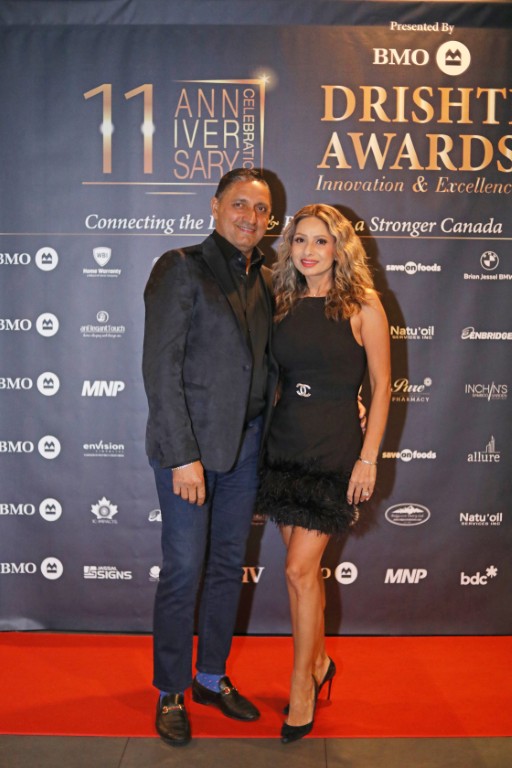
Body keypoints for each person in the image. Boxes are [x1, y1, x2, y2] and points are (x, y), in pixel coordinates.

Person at [142, 168, 278, 747]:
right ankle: (171, 688)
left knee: (227, 567)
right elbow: (161, 368)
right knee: (183, 568)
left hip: (246, 447)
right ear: (216, 206)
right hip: (190, 452)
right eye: (240, 204)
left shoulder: (266, 278)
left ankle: (209, 676)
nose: (251, 216)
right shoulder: (180, 268)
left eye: (261, 208)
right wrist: (182, 456)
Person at [257, 203, 391, 743]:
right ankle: (318, 662)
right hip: (284, 446)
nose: (308, 251)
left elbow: (381, 387)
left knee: (296, 570)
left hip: (334, 451)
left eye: (320, 241)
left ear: (340, 247)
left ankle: (302, 686)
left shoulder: (363, 305)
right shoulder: (281, 301)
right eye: (300, 240)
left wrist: (368, 457)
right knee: (304, 575)